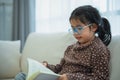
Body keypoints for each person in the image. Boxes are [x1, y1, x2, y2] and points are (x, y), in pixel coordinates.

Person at [15, 5, 112, 80]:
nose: (75, 33)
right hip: (58, 78)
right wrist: (46, 67)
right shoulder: (71, 48)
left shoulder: (99, 49)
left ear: (94, 27)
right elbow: (59, 68)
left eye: (79, 28)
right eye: (73, 29)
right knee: (22, 76)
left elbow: (100, 77)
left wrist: (71, 77)